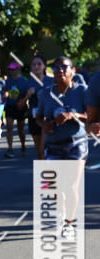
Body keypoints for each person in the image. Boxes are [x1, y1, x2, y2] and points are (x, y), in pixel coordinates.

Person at [37, 55, 87, 238]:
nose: (60, 70)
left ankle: (69, 224)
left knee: (71, 186)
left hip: (76, 143)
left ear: (72, 71)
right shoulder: (45, 93)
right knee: (54, 187)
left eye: (64, 67)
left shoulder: (82, 90)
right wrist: (45, 125)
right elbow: (38, 117)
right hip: (54, 144)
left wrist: (73, 115)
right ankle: (62, 213)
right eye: (56, 67)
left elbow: (92, 116)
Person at [24, 55, 53, 160]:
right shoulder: (27, 83)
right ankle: (45, 173)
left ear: (44, 66)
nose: (36, 66)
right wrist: (27, 95)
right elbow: (19, 105)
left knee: (45, 148)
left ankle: (52, 172)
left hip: (48, 118)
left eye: (39, 64)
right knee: (39, 152)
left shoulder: (51, 81)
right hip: (34, 118)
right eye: (34, 64)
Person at [3, 62, 29, 156]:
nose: (11, 71)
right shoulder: (8, 81)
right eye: (10, 70)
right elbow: (5, 92)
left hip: (20, 106)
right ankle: (10, 148)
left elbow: (28, 94)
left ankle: (23, 145)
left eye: (13, 69)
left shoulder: (24, 81)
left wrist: (22, 100)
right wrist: (4, 96)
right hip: (10, 106)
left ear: (18, 69)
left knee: (20, 130)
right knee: (9, 127)